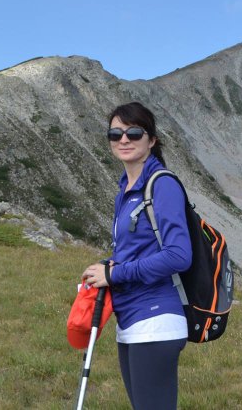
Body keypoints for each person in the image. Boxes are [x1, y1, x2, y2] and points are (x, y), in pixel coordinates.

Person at [82, 101, 191, 410]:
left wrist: (115, 275)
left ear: (152, 140)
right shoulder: (126, 189)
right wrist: (110, 266)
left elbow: (179, 255)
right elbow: (137, 249)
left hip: (156, 319)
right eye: (115, 134)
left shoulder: (163, 185)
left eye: (133, 132)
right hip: (131, 318)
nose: (124, 139)